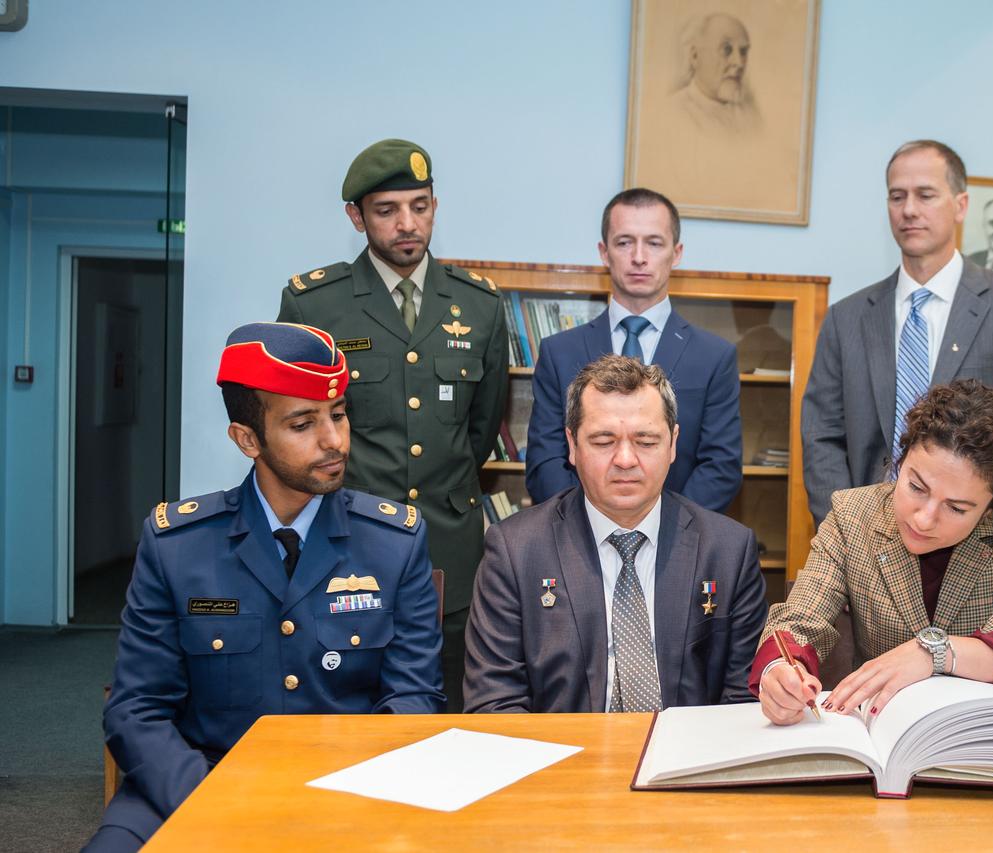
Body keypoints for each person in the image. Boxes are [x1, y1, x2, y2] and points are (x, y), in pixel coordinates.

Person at [87, 322, 443, 851]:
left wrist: (345, 794)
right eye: (303, 423)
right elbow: (136, 707)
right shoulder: (176, 546)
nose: (334, 441)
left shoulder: (394, 542)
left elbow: (413, 698)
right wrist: (214, 799)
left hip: (348, 787)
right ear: (247, 439)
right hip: (197, 780)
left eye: (339, 415)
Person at [277, 138, 508, 712]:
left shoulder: (478, 304)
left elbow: (481, 430)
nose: (408, 224)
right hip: (347, 538)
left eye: (420, 206)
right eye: (387, 210)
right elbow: (294, 427)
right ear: (357, 217)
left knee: (448, 698)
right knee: (342, 696)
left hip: (449, 547)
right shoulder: (315, 305)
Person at [754, 379, 993, 726]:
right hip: (883, 730)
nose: (924, 518)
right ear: (900, 462)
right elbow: (799, 622)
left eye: (957, 508)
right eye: (916, 487)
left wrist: (937, 653)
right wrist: (780, 670)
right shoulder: (852, 514)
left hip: (988, 735)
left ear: (992, 507)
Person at [466, 355, 767, 713]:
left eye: (645, 441)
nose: (625, 459)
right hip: (565, 761)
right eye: (603, 441)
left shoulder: (728, 551)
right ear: (572, 445)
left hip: (686, 760)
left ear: (672, 444)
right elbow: (494, 702)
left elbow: (745, 700)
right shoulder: (516, 552)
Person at [801, 140, 993, 526]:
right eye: (896, 196)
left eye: (925, 195)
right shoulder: (847, 318)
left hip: (977, 546)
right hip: (866, 541)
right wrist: (845, 529)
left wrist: (983, 528)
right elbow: (821, 437)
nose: (909, 210)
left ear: (961, 205)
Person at [525, 188, 742, 512]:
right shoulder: (559, 353)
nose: (639, 256)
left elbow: (721, 466)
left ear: (676, 252)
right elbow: (545, 461)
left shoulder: (714, 357)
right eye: (624, 242)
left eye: (654, 243)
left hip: (679, 542)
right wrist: (590, 527)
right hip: (576, 541)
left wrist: (663, 530)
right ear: (604, 251)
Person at [669, 12, 763, 136]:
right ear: (695, 56)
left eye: (743, 51)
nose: (739, 63)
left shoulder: (750, 117)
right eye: (727, 49)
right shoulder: (673, 112)